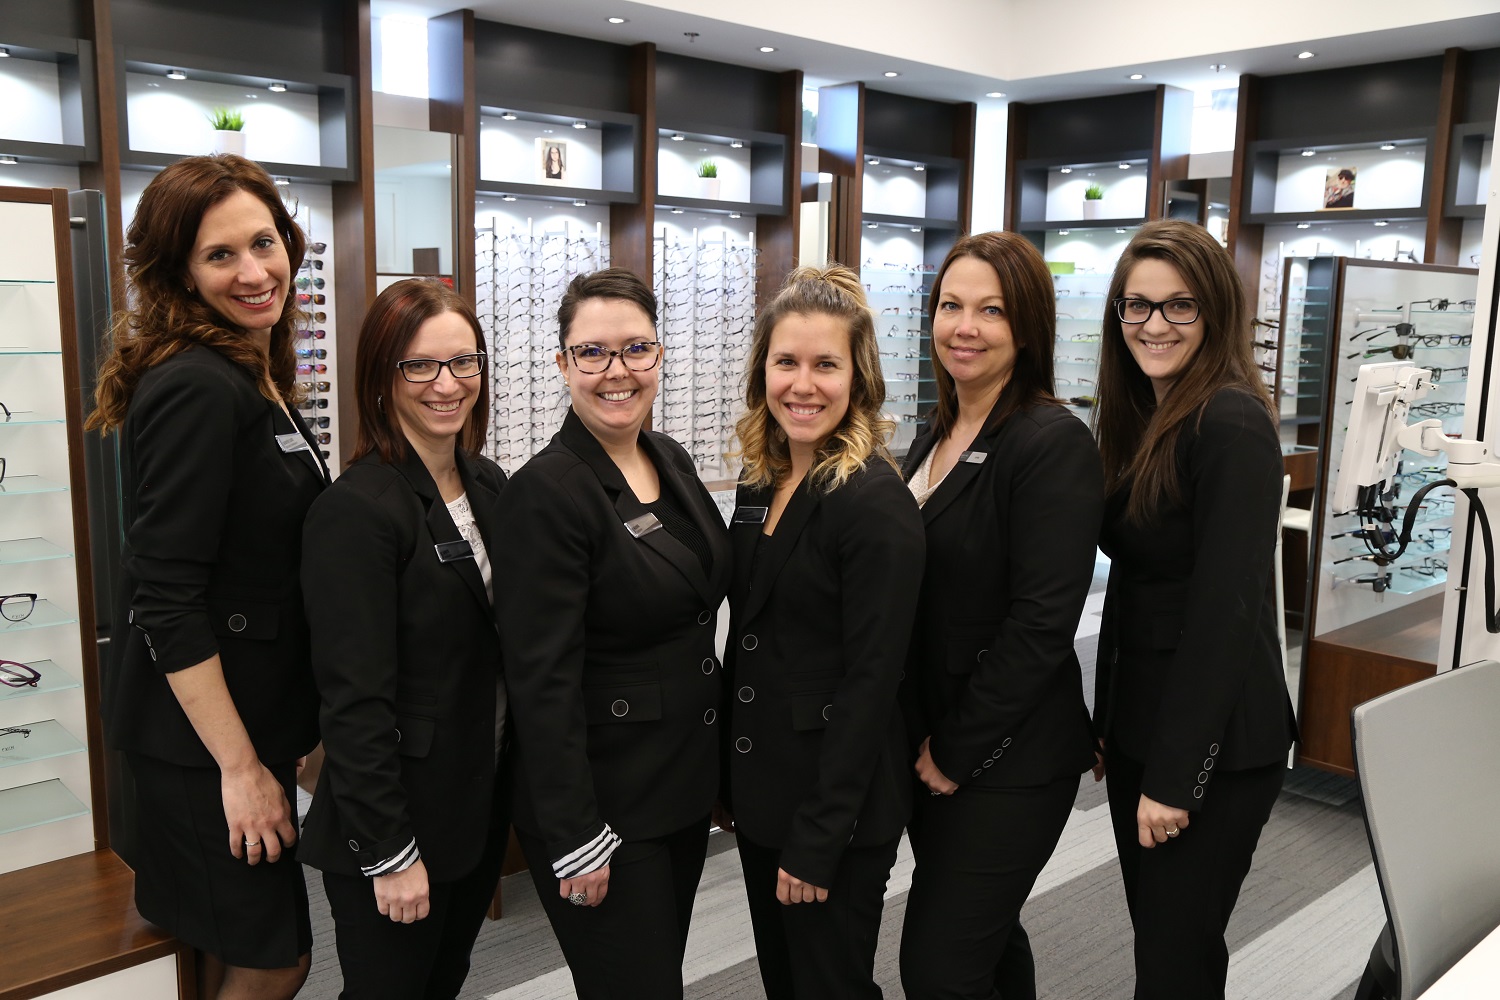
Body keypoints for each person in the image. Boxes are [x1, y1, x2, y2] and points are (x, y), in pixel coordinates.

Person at [88, 153, 326, 1000]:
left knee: (232, 949)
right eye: (219, 255)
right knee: (274, 960)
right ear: (181, 274)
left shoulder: (251, 372)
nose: (254, 271)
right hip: (202, 747)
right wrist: (240, 768)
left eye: (263, 242)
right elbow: (166, 595)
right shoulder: (197, 385)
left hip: (243, 724)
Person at [495, 267, 731, 998]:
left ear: (659, 355)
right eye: (592, 352)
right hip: (605, 806)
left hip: (678, 786)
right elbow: (541, 680)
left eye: (636, 348)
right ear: (563, 364)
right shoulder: (546, 491)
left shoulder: (671, 459)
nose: (617, 370)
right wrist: (574, 834)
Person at [1091, 219, 1298, 1000]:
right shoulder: (1150, 415)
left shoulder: (1230, 422)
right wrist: (1111, 720)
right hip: (1146, 725)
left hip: (1214, 747)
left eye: (1179, 306)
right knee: (1166, 946)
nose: (1154, 324)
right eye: (1137, 305)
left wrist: (1178, 777)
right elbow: (1140, 590)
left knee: (1174, 961)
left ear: (1214, 312)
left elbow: (1224, 615)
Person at [897, 232, 1105, 1000]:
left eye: (991, 310)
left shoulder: (1051, 442)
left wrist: (955, 750)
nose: (965, 327)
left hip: (1006, 759)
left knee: (939, 969)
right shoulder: (936, 431)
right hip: (933, 741)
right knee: (987, 943)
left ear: (1027, 327)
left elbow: (1040, 624)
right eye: (951, 306)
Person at [297, 279, 510, 999]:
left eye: (463, 362)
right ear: (381, 377)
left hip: (472, 804)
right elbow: (353, 702)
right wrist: (390, 852)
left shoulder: (488, 484)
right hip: (394, 822)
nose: (447, 384)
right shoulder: (357, 510)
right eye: (420, 365)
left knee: (443, 981)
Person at [720, 265, 924, 999]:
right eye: (786, 362)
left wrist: (820, 835)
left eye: (825, 365)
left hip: (832, 811)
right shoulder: (763, 477)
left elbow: (872, 684)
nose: (802, 385)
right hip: (767, 790)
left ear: (858, 377)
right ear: (762, 372)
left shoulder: (873, 502)